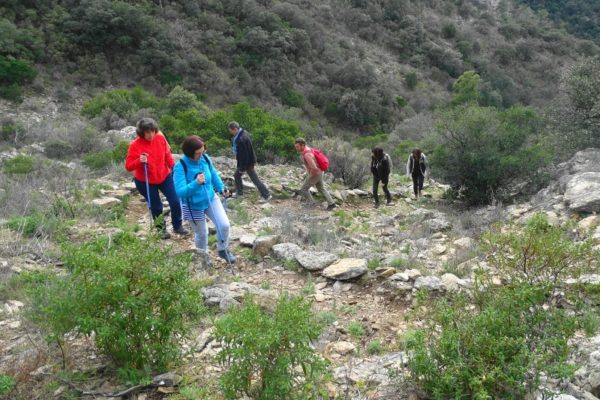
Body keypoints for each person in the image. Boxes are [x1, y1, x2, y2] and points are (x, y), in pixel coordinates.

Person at [173, 135, 236, 268]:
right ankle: (204, 258)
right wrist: (195, 183)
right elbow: (180, 192)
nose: (202, 155)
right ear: (190, 153)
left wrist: (221, 188)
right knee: (202, 234)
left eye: (203, 151)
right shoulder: (180, 167)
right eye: (198, 153)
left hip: (211, 198)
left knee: (224, 225)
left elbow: (213, 174)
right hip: (192, 205)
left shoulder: (205, 159)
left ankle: (223, 249)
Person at [125, 118, 188, 239]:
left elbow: (167, 155)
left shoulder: (160, 138)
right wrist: (139, 161)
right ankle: (161, 230)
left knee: (175, 201)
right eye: (147, 132)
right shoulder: (135, 145)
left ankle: (177, 226)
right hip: (145, 181)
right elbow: (128, 166)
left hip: (164, 175)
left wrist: (174, 169)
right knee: (156, 206)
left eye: (152, 131)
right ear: (141, 132)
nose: (150, 135)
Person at [228, 121, 272, 202]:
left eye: (231, 131)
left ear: (234, 129)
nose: (231, 133)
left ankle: (265, 195)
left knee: (241, 176)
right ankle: (266, 195)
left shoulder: (241, 139)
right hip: (250, 161)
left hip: (247, 163)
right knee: (251, 178)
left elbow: (243, 155)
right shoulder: (244, 133)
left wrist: (242, 167)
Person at [294, 138, 336, 211]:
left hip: (316, 173)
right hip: (320, 172)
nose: (296, 148)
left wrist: (310, 176)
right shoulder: (308, 149)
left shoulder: (307, 154)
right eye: (296, 146)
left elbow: (314, 168)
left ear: (303, 145)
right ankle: (331, 204)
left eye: (297, 147)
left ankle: (312, 203)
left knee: (303, 189)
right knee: (321, 188)